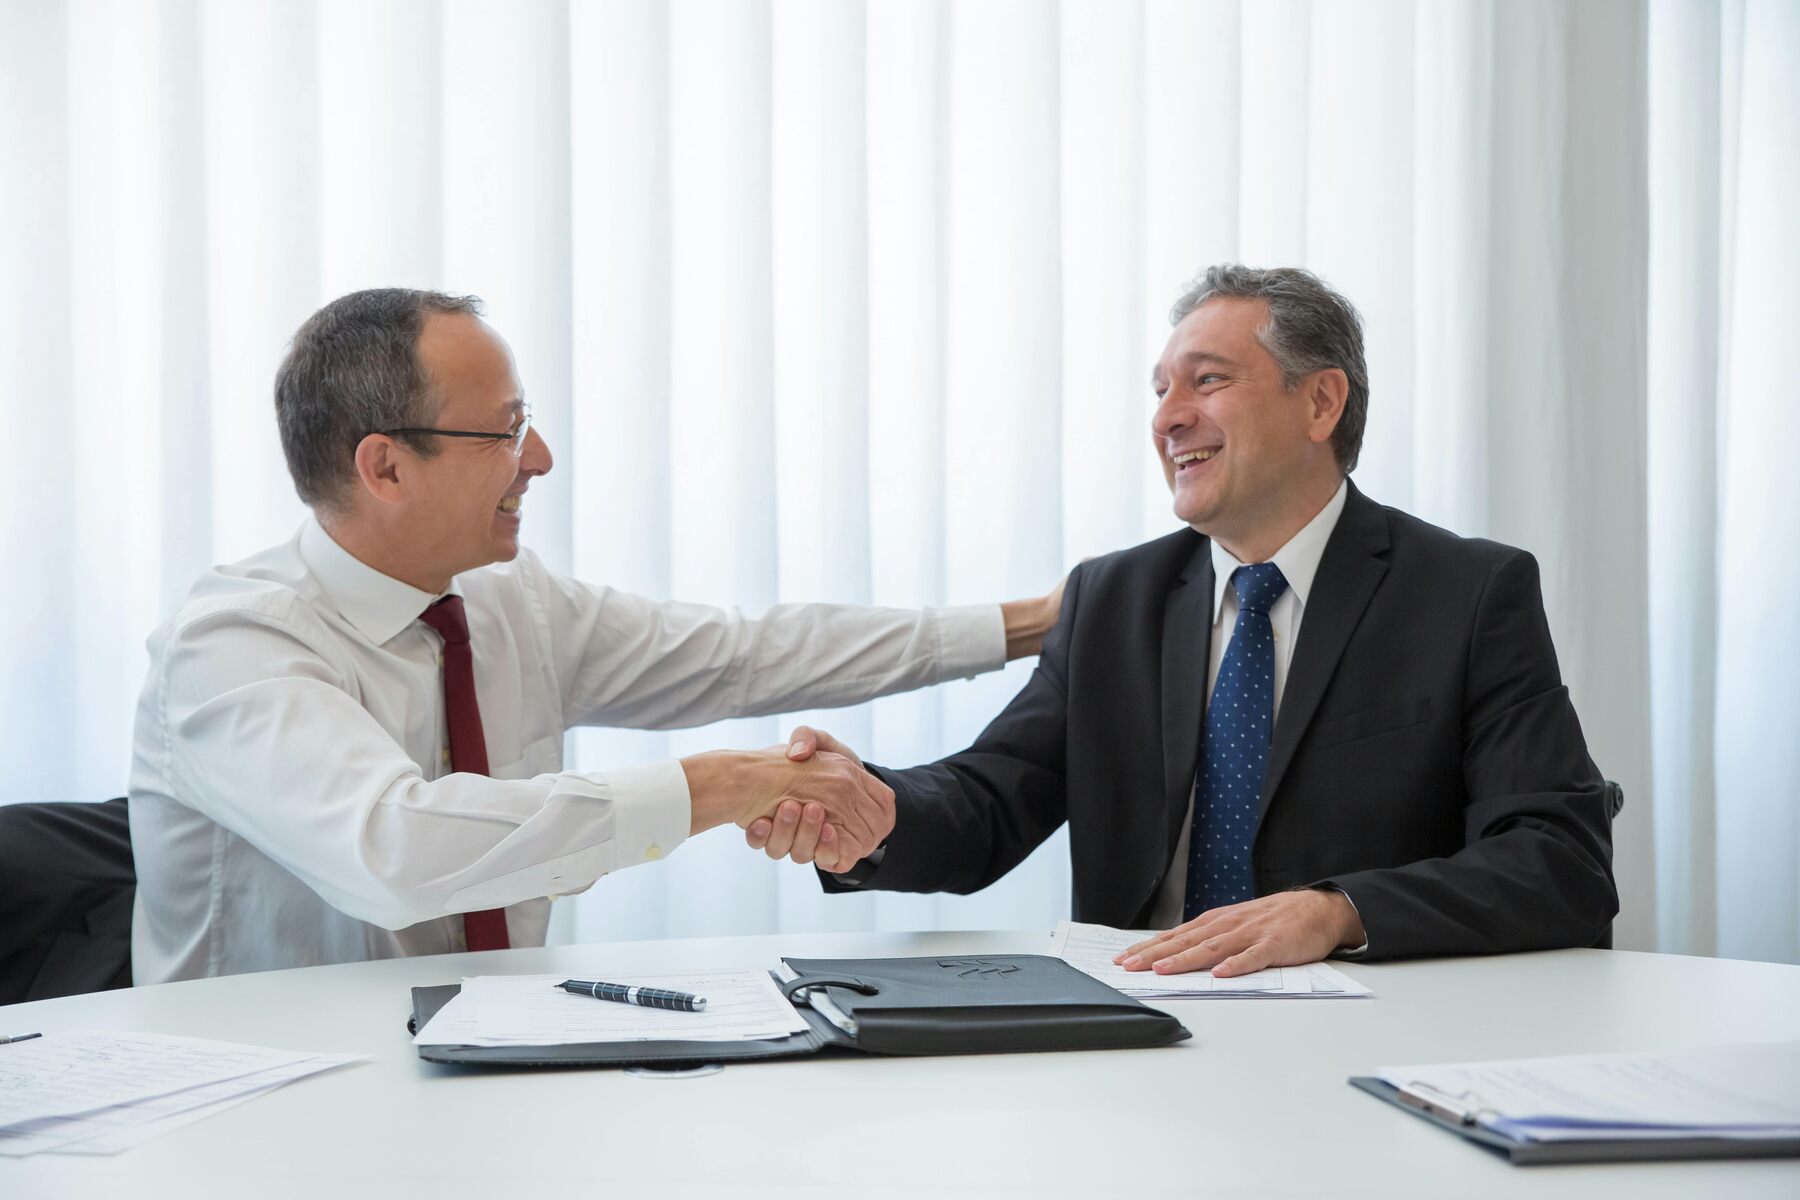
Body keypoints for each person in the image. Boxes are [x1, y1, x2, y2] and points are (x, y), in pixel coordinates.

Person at [128, 288, 1063, 983]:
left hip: (491, 1074)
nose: (538, 458)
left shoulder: (508, 603)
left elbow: (744, 654)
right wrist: (723, 786)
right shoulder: (231, 644)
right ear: (385, 467)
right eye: (505, 431)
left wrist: (1042, 623)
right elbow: (396, 850)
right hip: (271, 1109)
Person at [755, 264, 1618, 974]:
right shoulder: (1112, 599)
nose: (1169, 417)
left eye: (1207, 381)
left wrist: (1338, 912)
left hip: (1368, 1028)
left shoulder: (1466, 592)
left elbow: (1559, 861)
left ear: (1321, 403)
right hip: (1141, 1025)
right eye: (1162, 389)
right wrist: (873, 810)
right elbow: (988, 802)